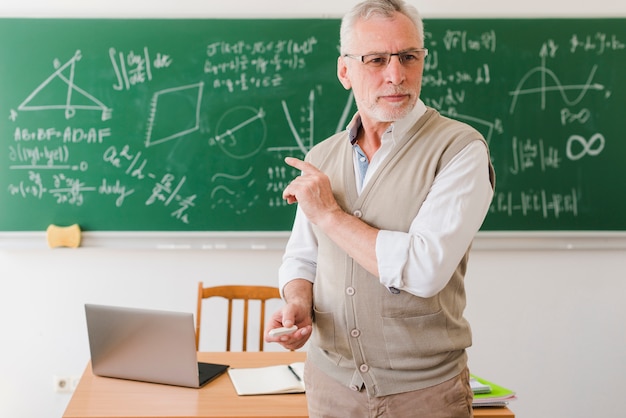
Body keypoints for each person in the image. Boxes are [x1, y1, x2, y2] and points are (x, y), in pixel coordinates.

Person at [265, 0, 495, 416]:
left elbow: (423, 271)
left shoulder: (460, 150)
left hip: (424, 396)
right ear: (344, 71)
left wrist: (330, 214)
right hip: (329, 385)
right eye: (375, 59)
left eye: (409, 57)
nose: (396, 75)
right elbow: (302, 257)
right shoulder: (322, 155)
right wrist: (298, 302)